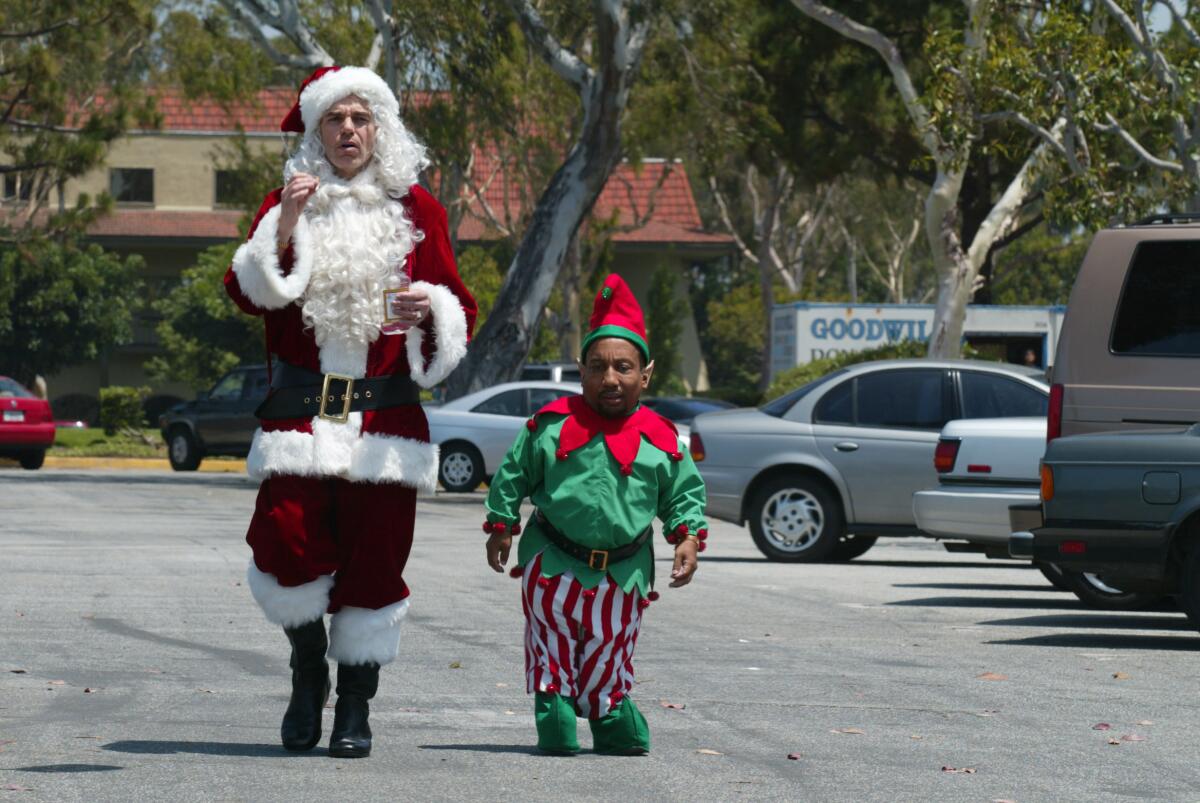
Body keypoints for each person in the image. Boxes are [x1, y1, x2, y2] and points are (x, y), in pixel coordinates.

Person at [223, 65, 476, 758]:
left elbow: (461, 307)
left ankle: (354, 707)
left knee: (374, 560)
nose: (348, 130)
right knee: (286, 546)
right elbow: (248, 293)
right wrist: (288, 226)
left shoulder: (419, 211)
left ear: (380, 128)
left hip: (386, 426)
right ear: (315, 131)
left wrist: (436, 310)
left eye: (361, 118)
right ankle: (308, 676)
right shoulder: (284, 203)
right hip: (300, 424)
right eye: (334, 119)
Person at [482, 275, 706, 755]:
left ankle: (609, 713)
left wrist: (686, 538)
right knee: (553, 645)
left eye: (623, 368)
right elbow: (513, 476)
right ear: (581, 370)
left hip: (623, 574)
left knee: (611, 647)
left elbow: (683, 494)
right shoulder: (549, 426)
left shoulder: (663, 439)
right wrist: (501, 526)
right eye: (598, 367)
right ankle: (556, 712)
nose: (610, 379)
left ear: (644, 375)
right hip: (552, 566)